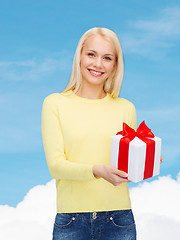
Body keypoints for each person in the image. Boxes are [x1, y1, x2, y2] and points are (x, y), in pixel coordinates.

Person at [41, 27, 138, 240]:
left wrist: (145, 161)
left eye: (107, 57)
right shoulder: (54, 104)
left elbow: (125, 167)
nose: (97, 64)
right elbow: (56, 166)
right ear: (80, 56)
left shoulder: (126, 108)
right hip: (71, 221)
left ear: (115, 65)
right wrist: (97, 170)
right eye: (91, 54)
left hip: (119, 220)